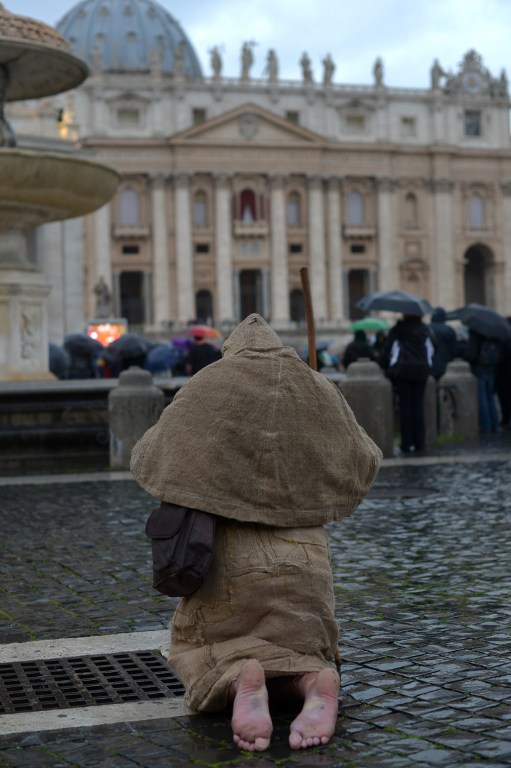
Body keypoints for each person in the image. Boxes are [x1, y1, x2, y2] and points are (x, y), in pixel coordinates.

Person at [131, 314, 382, 751]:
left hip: (228, 556)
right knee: (300, 650)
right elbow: (365, 458)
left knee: (212, 649)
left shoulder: (209, 384)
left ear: (232, 348)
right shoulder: (314, 385)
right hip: (305, 559)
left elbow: (150, 453)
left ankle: (237, 679)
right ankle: (311, 682)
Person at [382, 314, 434, 453]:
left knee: (405, 407)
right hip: (421, 371)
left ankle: (406, 443)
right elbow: (431, 350)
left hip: (403, 371)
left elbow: (390, 351)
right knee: (418, 406)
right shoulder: (425, 330)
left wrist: (386, 367)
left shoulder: (398, 330)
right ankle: (419, 442)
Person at [464, 329, 502, 433]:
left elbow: (471, 355)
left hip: (479, 370)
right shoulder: (495, 335)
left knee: (482, 397)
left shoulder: (476, 334)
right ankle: (495, 423)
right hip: (491, 370)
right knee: (490, 397)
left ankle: (486, 424)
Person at [429, 306, 458, 380]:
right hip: (445, 364)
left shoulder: (426, 328)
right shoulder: (449, 330)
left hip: (429, 364)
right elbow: (454, 350)